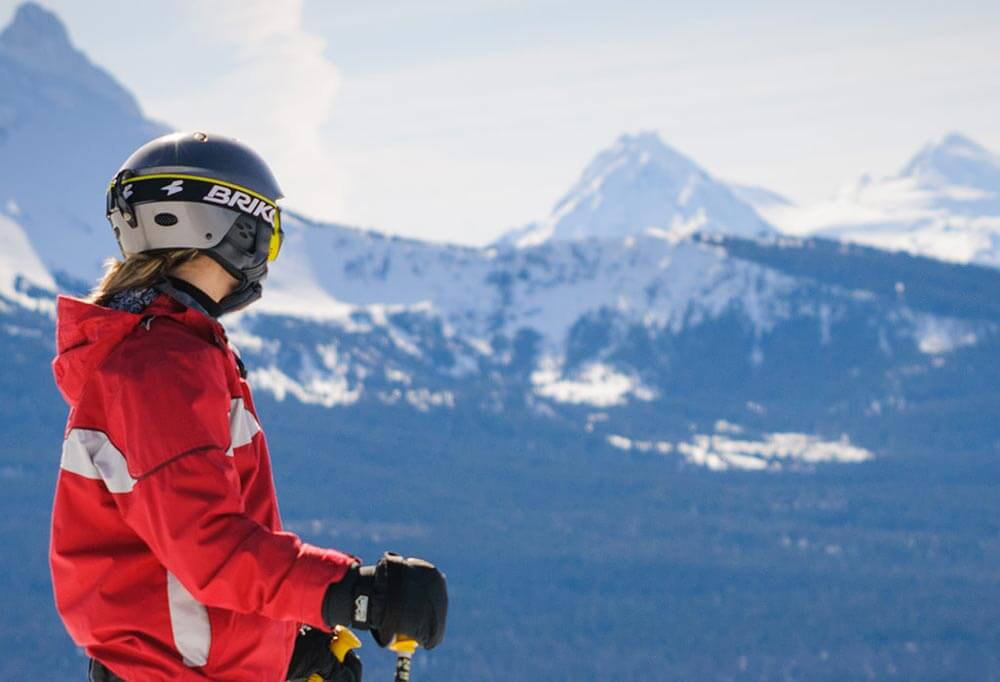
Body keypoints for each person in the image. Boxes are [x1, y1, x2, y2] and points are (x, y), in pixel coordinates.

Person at [49, 132, 448, 681]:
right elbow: (208, 546)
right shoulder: (160, 368)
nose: (266, 256)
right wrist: (354, 594)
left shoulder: (167, 352)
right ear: (232, 229)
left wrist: (282, 646)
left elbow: (176, 562)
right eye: (269, 234)